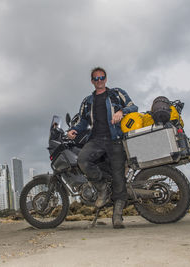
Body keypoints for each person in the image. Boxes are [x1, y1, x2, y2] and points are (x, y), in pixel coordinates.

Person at [67, 67, 138, 229]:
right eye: (96, 78)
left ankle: (117, 216)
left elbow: (133, 107)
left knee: (119, 178)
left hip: (116, 140)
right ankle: (102, 188)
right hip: (97, 140)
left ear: (106, 79)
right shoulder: (87, 101)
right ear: (92, 81)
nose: (99, 81)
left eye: (102, 77)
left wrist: (121, 111)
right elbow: (83, 122)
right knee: (83, 160)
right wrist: (74, 130)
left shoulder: (116, 93)